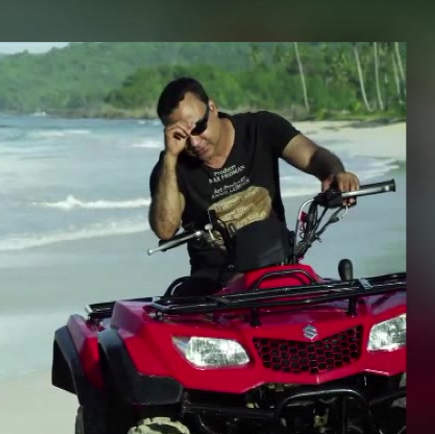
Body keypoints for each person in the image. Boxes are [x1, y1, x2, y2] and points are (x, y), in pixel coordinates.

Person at [148, 77, 360, 295]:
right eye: (181, 136)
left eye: (199, 127)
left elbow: (313, 155)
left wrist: (335, 173)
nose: (194, 142)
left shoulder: (260, 128)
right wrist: (171, 157)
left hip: (278, 271)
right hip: (213, 288)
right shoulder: (169, 171)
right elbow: (165, 229)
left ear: (212, 107)